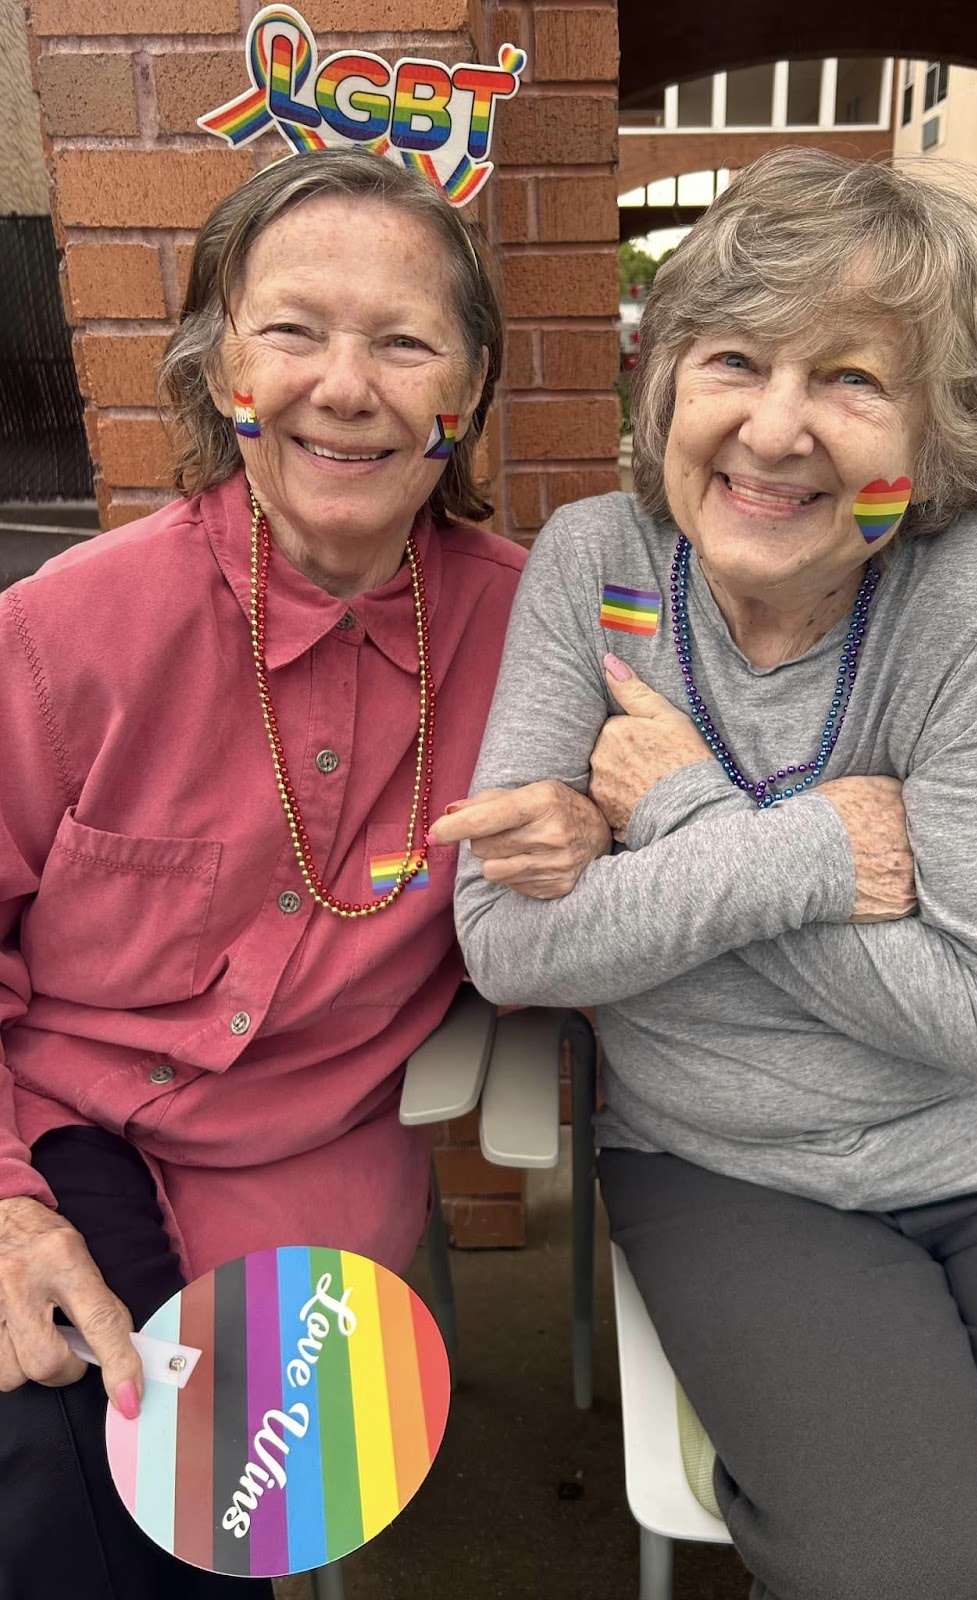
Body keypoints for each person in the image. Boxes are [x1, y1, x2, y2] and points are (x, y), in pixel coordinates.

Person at [435, 150, 977, 1600]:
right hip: (736, 1175)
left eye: (852, 381)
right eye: (733, 359)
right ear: (666, 383)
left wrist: (676, 817)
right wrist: (809, 848)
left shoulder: (975, 590)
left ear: (937, 429)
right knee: (904, 1574)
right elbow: (513, 948)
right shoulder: (595, 567)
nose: (774, 430)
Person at [0, 149, 602, 1600]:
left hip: (295, 1180)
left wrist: (598, 840)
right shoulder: (65, 630)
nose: (350, 386)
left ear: (466, 400)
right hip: (48, 1129)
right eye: (294, 332)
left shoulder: (540, 637)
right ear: (223, 374)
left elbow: (660, 861)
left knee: (193, 1513)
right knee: (37, 1472)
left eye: (405, 342)